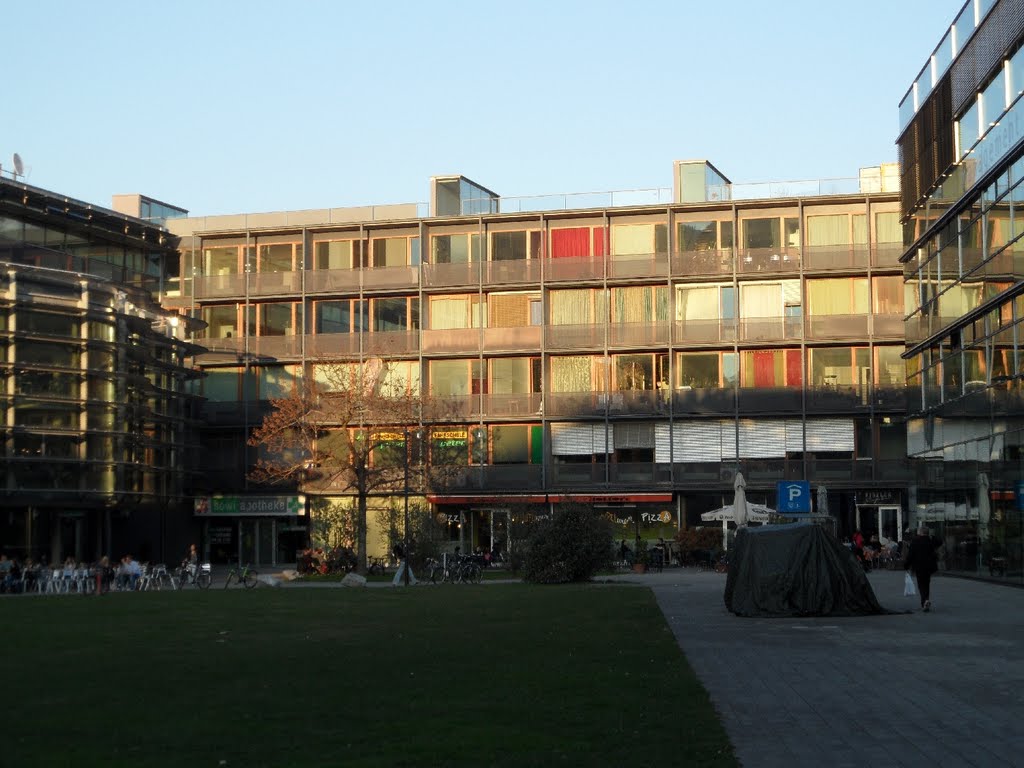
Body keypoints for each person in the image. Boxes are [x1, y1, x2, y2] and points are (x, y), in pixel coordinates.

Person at [904, 525, 943, 612]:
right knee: (926, 583)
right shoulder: (930, 540)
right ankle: (926, 600)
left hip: (919, 566)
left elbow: (910, 555)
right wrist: (932, 536)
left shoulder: (915, 541)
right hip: (929, 566)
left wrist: (906, 565)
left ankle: (924, 601)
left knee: (921, 584)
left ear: (920, 532)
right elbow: (940, 542)